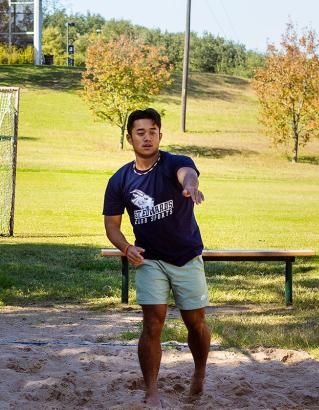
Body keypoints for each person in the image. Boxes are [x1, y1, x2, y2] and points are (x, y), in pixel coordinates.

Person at [103, 108, 210, 407]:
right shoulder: (120, 180)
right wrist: (126, 247)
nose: (147, 137)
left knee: (195, 323)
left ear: (160, 135)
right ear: (129, 138)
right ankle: (151, 391)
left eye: (152, 132)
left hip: (186, 256)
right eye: (140, 132)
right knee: (152, 323)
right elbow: (112, 226)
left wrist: (190, 185)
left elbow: (187, 174)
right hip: (150, 260)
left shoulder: (175, 163)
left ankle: (199, 373)